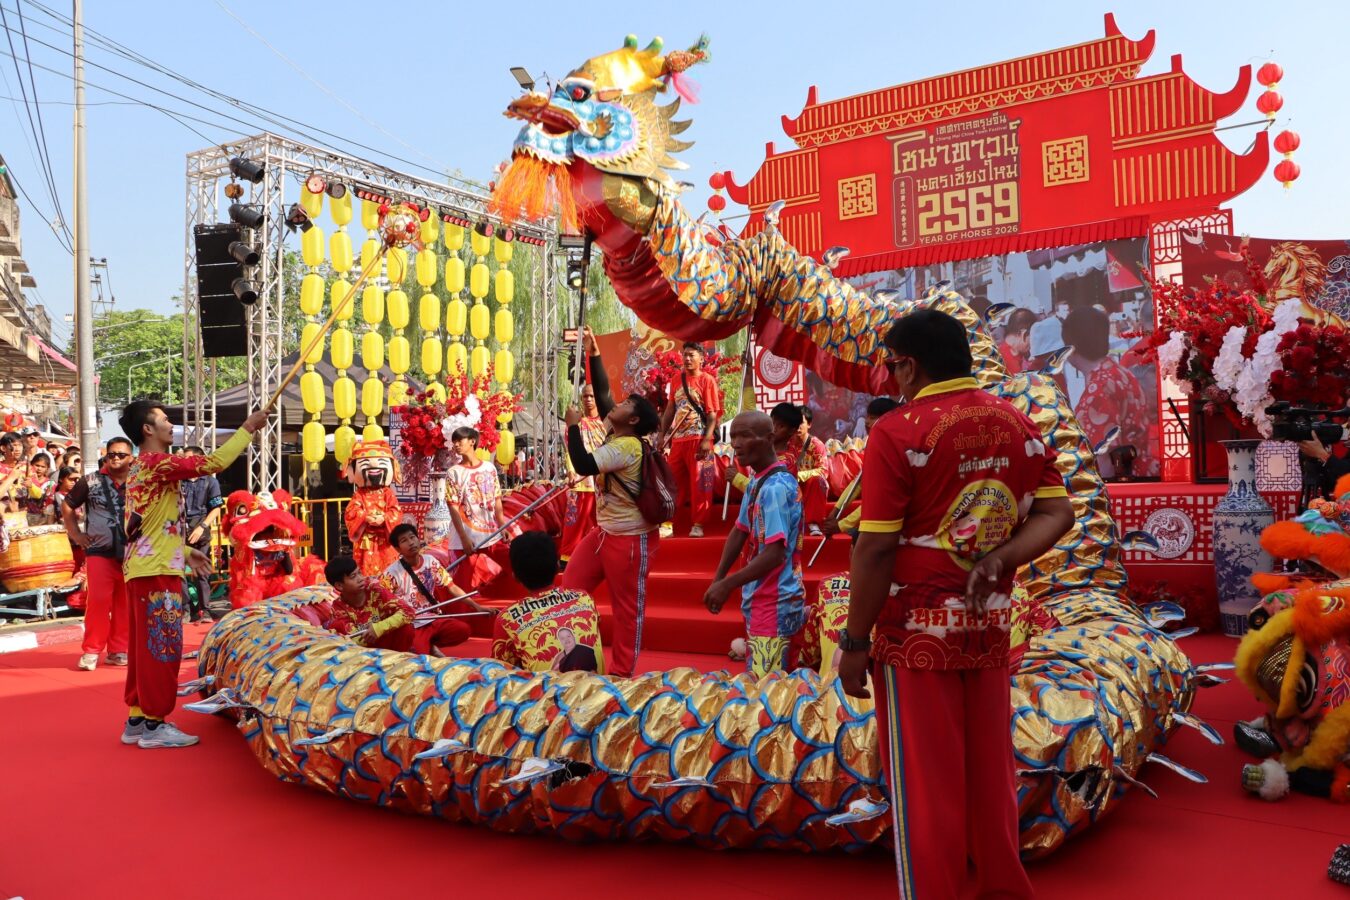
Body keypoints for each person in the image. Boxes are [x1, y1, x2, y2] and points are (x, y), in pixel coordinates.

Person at [839, 309, 1074, 900]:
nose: (891, 378)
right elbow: (1058, 512)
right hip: (987, 624)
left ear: (909, 366)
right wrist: (1002, 557)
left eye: (891, 366)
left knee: (925, 782)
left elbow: (875, 548)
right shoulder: (1015, 421)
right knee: (991, 770)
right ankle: (1003, 888)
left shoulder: (897, 431)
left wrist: (855, 640)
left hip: (914, 631)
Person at [118, 399, 266, 749]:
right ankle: (154, 724)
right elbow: (214, 463)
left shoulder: (140, 468)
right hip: (155, 571)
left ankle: (138, 718)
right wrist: (248, 428)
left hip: (143, 567)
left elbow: (145, 526)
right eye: (164, 419)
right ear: (148, 429)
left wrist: (185, 552)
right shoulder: (157, 463)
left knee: (144, 648)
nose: (171, 425)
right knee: (163, 647)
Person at [561, 394, 662, 677]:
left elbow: (583, 465)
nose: (617, 404)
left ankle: (621, 674)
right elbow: (603, 391)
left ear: (634, 420)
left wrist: (573, 426)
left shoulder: (627, 445)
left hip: (631, 538)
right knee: (570, 590)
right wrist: (593, 360)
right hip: (603, 533)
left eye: (627, 404)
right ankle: (576, 659)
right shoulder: (614, 434)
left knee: (626, 610)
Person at [703, 411, 805, 677]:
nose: (736, 443)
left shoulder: (775, 488)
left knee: (766, 689)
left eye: (745, 436)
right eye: (733, 436)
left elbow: (774, 554)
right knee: (766, 683)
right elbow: (739, 531)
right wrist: (718, 579)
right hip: (762, 599)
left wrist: (727, 584)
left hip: (775, 602)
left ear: (769, 439)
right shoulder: (757, 481)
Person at [1062, 305, 1158, 478]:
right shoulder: (1119, 373)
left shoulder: (1099, 389)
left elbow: (1104, 461)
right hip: (1140, 474)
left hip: (1122, 483)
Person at [63, 438, 133, 672]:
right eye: (111, 454)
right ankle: (92, 650)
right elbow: (67, 505)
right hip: (98, 552)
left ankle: (118, 650)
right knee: (98, 602)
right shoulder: (90, 481)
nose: (115, 458)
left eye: (121, 454)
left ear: (131, 457)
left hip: (133, 553)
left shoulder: (139, 481)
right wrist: (76, 534)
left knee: (124, 604)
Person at [495, 529, 602, 673]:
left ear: (515, 576)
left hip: (548, 687)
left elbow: (498, 674)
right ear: (557, 566)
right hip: (599, 687)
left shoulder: (507, 619)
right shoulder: (584, 598)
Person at [380, 522, 490, 655]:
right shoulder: (391, 573)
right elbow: (380, 602)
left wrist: (476, 606)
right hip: (412, 623)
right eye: (404, 541)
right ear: (398, 549)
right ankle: (418, 645)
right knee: (420, 656)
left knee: (463, 630)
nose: (411, 543)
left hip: (433, 617)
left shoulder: (430, 561)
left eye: (412, 537)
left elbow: (451, 587)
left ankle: (428, 643)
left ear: (418, 539)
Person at [658, 341, 722, 538]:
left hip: (700, 439)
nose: (687, 358)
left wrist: (707, 439)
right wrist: (662, 434)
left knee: (700, 483)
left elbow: (712, 413)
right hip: (678, 441)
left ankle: (698, 524)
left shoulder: (707, 380)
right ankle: (667, 523)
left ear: (701, 359)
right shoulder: (677, 380)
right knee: (672, 481)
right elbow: (670, 410)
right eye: (684, 355)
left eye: (691, 355)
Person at [560, 328, 611, 565]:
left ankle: (600, 556)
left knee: (599, 521)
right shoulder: (576, 423)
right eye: (585, 397)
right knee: (574, 521)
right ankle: (566, 556)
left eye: (591, 396)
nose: (589, 399)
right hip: (580, 480)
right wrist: (571, 470)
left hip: (601, 478)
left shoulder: (607, 422)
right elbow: (569, 448)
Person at [822, 397, 901, 540]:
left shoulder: (894, 452)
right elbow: (859, 482)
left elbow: (878, 498)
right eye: (867, 417)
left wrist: (841, 525)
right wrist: (836, 510)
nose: (867, 422)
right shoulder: (875, 445)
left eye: (872, 418)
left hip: (894, 518)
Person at [445, 426, 512, 591]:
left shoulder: (489, 468)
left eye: (459, 441)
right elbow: (453, 508)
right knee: (462, 588)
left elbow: (496, 498)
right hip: (464, 540)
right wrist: (464, 538)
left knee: (516, 566)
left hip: (492, 534)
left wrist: (502, 525)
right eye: (454, 442)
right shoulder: (453, 472)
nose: (456, 445)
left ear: (472, 441)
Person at [323, 555, 417, 651]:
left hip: (391, 643)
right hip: (366, 653)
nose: (360, 578)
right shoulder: (338, 610)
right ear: (339, 586)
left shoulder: (374, 589)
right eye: (353, 576)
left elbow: (409, 612)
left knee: (406, 628)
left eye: (359, 572)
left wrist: (379, 628)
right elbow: (355, 641)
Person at [180, 445, 223, 624]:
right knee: (178, 572)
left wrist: (202, 526)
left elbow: (216, 508)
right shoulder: (178, 480)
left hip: (201, 528)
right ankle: (185, 609)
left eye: (189, 458)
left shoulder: (210, 481)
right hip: (180, 530)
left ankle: (204, 610)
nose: (186, 461)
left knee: (201, 573)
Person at [778, 405, 829, 536]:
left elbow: (823, 470)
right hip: (789, 486)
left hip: (809, 487)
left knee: (818, 480)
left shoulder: (816, 445)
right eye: (795, 423)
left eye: (801, 423)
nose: (798, 427)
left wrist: (800, 475)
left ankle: (813, 523)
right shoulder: (786, 444)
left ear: (809, 424)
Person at [998, 308, 1037, 375]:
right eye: (1033, 338)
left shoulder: (1015, 353)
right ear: (1024, 334)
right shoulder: (1005, 360)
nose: (1033, 344)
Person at [23, 452, 55, 525]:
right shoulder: (26, 480)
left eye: (43, 467)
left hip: (43, 518)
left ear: (47, 468)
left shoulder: (50, 484)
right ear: (31, 465)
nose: (39, 469)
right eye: (37, 465)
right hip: (25, 516)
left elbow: (49, 503)